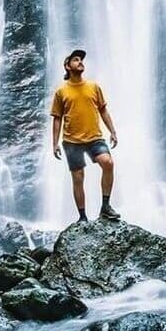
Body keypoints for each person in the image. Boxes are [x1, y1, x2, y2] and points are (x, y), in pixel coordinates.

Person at [49, 48, 121, 222]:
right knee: (78, 177)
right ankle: (82, 217)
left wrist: (112, 131)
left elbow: (103, 110)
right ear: (67, 66)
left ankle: (105, 206)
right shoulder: (61, 92)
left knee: (108, 163)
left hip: (94, 137)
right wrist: (55, 143)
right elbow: (57, 119)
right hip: (71, 141)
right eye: (76, 60)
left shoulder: (94, 87)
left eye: (81, 60)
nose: (80, 62)